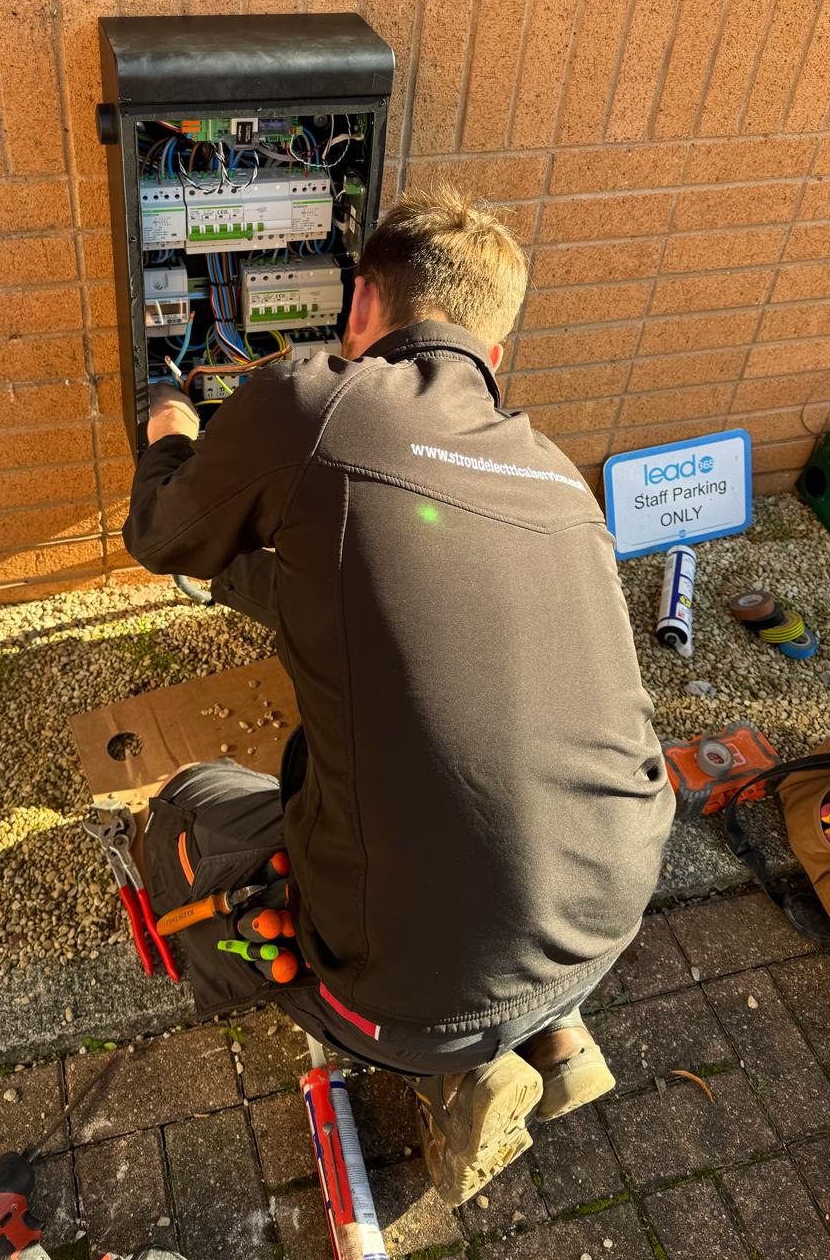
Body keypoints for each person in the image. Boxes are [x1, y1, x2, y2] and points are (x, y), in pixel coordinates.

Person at [124, 185, 674, 1204]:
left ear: (362, 307)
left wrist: (168, 423)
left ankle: (455, 1059)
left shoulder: (313, 401)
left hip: (416, 989)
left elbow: (162, 531)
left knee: (185, 812)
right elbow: (350, 579)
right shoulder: (560, 480)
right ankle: (549, 1030)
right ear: (494, 353)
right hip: (608, 911)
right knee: (485, 802)